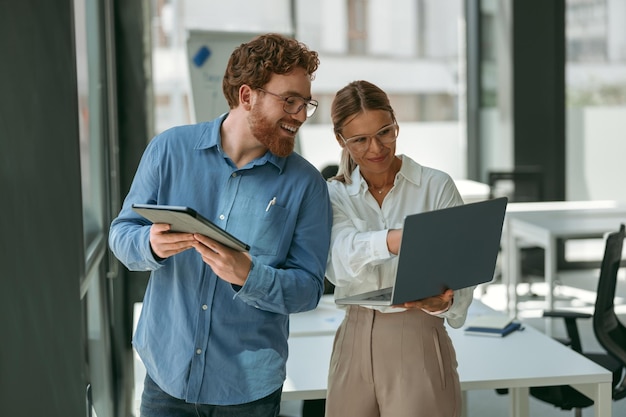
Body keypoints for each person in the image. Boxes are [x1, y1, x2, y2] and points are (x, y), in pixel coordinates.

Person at [108, 33, 332, 417]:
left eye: (305, 103)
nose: (299, 115)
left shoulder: (307, 184)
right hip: (166, 378)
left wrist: (250, 276)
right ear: (247, 96)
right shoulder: (169, 150)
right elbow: (121, 233)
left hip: (248, 391)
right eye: (289, 101)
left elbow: (309, 289)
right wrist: (150, 243)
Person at [324, 80, 474, 417]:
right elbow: (337, 262)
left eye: (385, 132)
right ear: (340, 140)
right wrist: (395, 240)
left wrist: (442, 303)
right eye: (359, 140)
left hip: (417, 335)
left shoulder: (435, 186)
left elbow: (464, 274)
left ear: (396, 124)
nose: (376, 148)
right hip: (353, 336)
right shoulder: (334, 195)